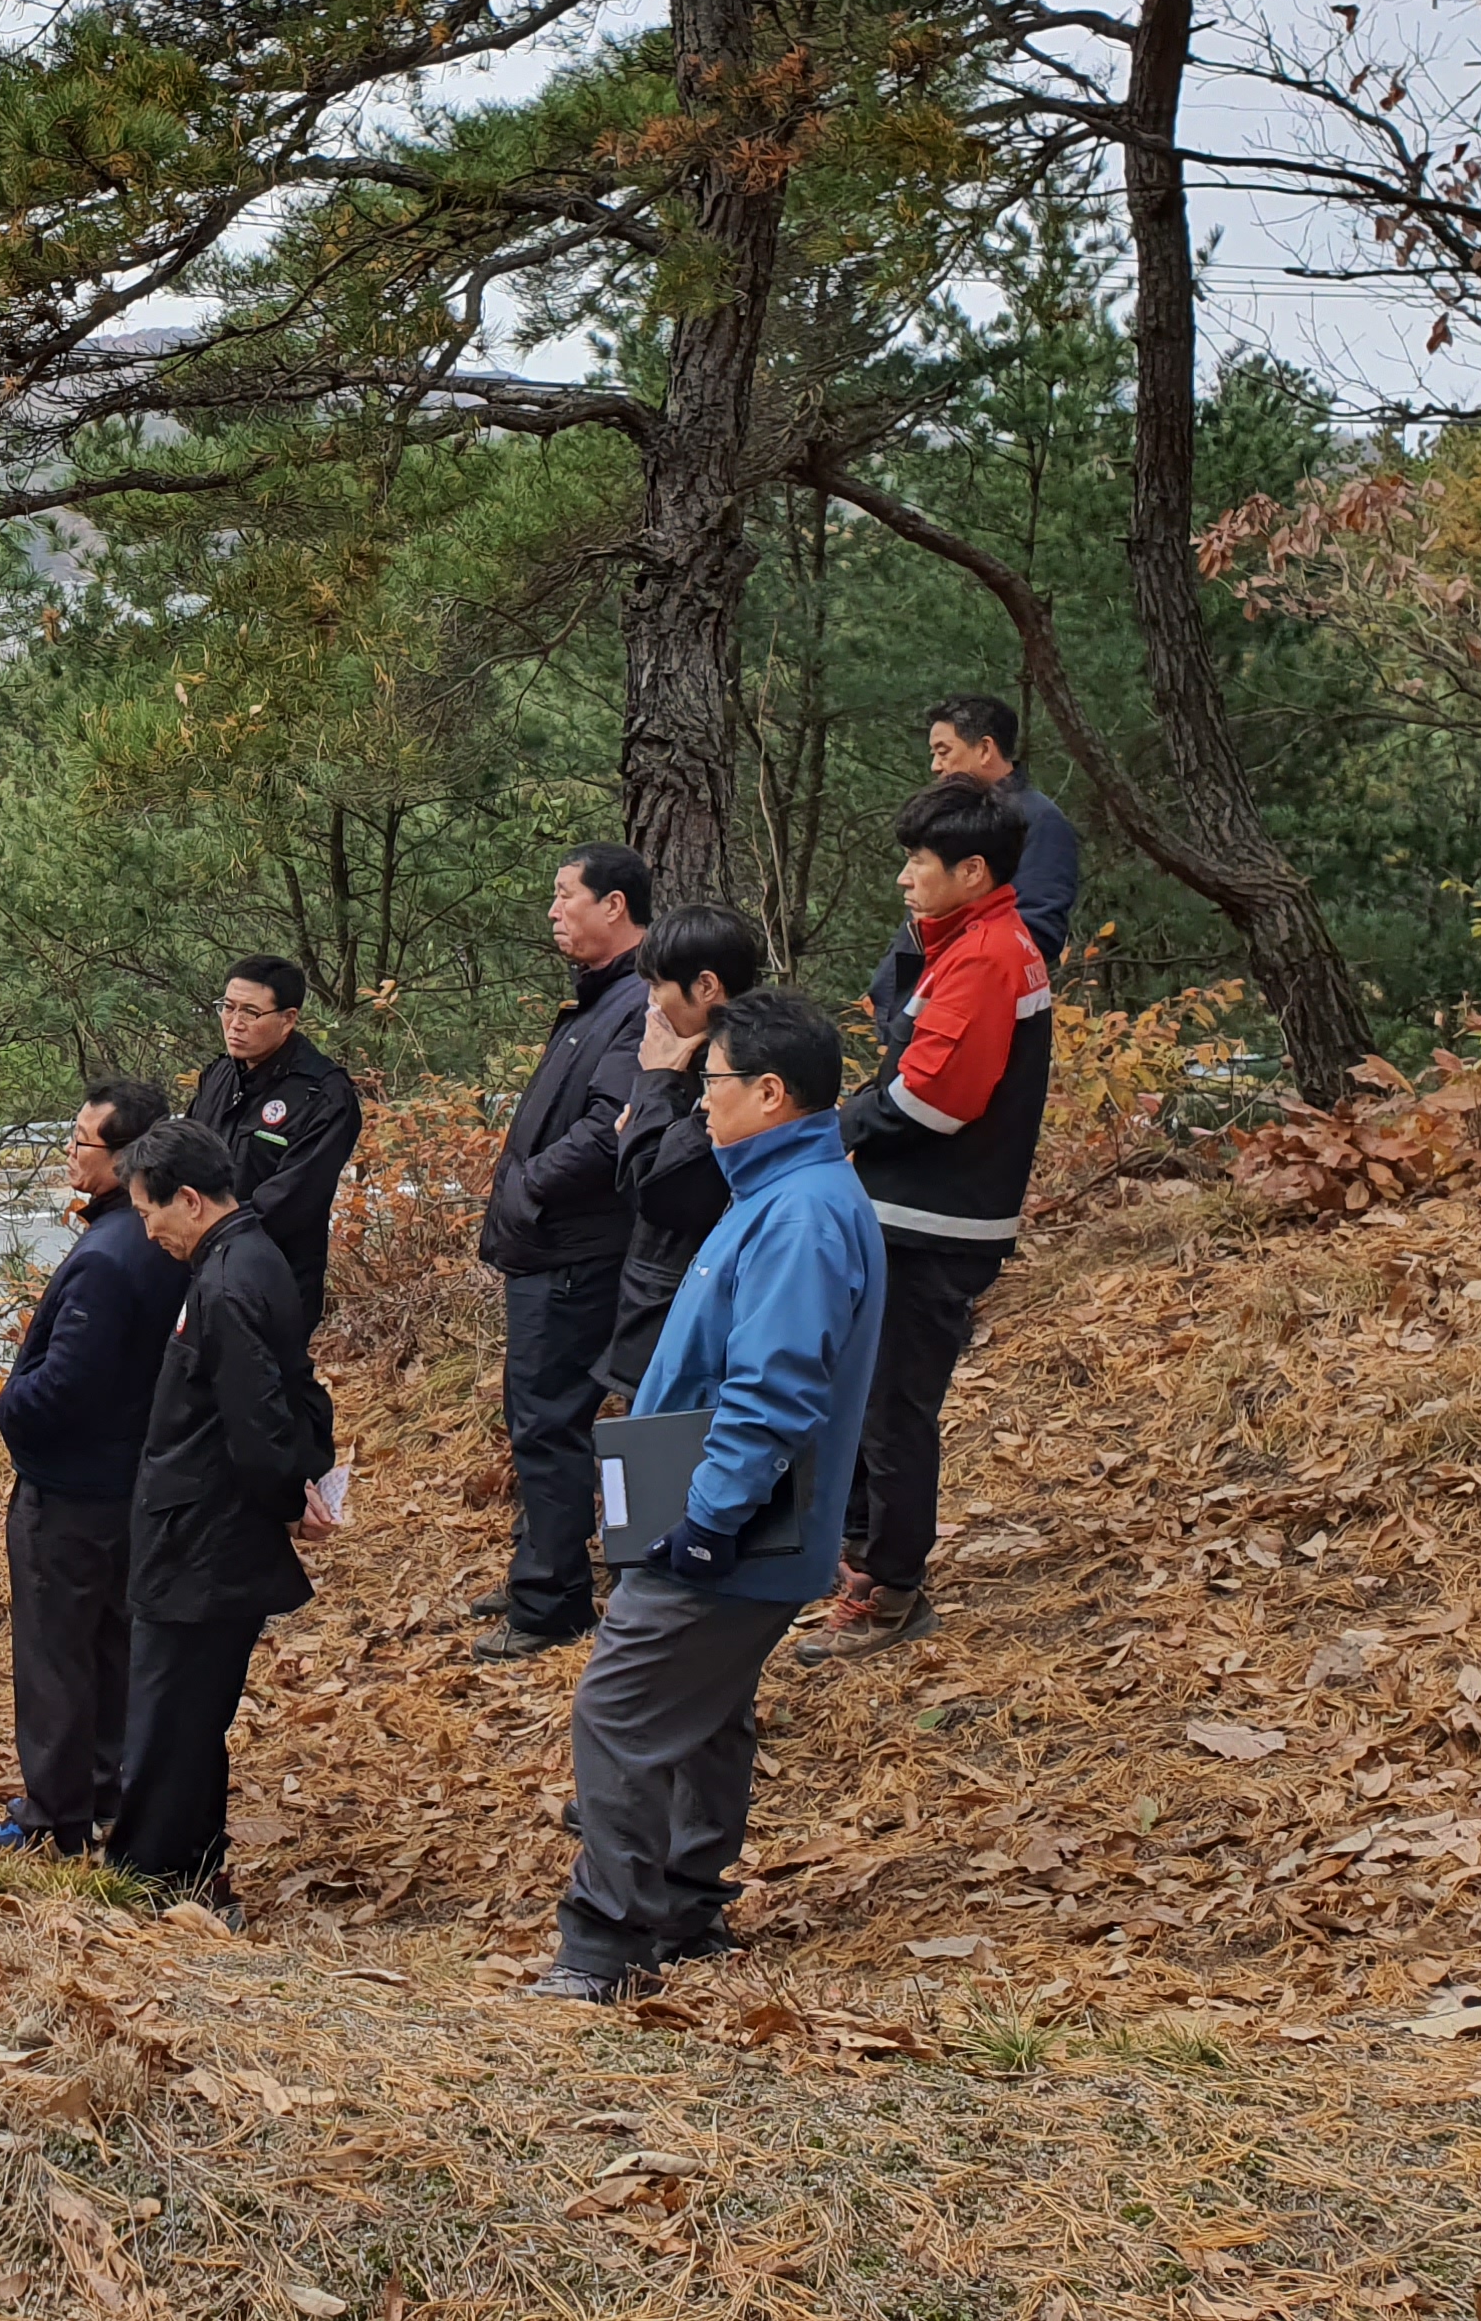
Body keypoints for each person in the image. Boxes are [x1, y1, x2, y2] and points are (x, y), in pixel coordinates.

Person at [528, 988, 885, 2000]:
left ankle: (605, 1943)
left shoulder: (802, 1215)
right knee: (709, 1711)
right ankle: (684, 1909)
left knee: (620, 1711)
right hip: (712, 1504)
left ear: (770, 1093)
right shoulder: (776, 1195)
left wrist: (706, 1523)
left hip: (731, 1525)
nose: (700, 1108)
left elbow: (773, 1390)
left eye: (712, 1087)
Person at [800, 776, 1055, 1664]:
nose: (905, 879)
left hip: (935, 1220)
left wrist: (820, 1135)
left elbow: (931, 1100)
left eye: (919, 863)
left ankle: (891, 1588)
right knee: (867, 1394)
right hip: (916, 1213)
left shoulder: (988, 954)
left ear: (974, 871)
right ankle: (863, 1565)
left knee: (893, 1405)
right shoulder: (964, 942)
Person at [106, 1118, 338, 1899]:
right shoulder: (248, 1258)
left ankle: (150, 1878)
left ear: (192, 1200)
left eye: (149, 1212)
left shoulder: (230, 1279)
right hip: (200, 1523)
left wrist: (289, 1492)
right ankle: (189, 1874)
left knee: (170, 1715)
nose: (148, 1229)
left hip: (203, 1532)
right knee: (189, 1714)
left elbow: (260, 1413)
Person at [0, 1077, 189, 1857]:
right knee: (109, 1645)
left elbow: (68, 1380)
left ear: (126, 1155)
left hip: (72, 1487)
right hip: (128, 1477)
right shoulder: (153, 1235)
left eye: (82, 1143)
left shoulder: (109, 1254)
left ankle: (53, 1813)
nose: (69, 1153)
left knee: (57, 1654)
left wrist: (11, 1409)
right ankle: (101, 1788)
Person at [470, 845, 653, 1662]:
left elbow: (611, 1127)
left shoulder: (637, 1001)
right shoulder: (600, 1001)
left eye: (563, 894)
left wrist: (526, 1187)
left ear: (613, 905)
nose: (552, 910)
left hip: (576, 1251)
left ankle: (551, 1601)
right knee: (541, 1419)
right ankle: (538, 1570)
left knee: (552, 1420)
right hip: (555, 1248)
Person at [605, 903, 770, 1401]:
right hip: (668, 1300)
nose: (651, 1005)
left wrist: (654, 1086)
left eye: (658, 988)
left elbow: (657, 1186)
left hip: (686, 1311)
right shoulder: (697, 1058)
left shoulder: (736, 1067)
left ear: (705, 987)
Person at [865, 693, 1081, 1033]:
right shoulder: (955, 816)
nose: (935, 766)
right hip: (912, 1009)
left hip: (963, 1015)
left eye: (943, 751)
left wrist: (955, 979)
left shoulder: (1040, 822)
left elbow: (1038, 929)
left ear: (984, 749)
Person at [185, 956, 363, 1331]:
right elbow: (181, 1158)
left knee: (268, 1387)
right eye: (227, 1008)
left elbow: (292, 1200)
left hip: (272, 1282)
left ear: (288, 1019)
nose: (234, 1023)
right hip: (198, 1274)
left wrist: (211, 1235)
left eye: (251, 1012)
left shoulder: (323, 1095)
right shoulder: (219, 1076)